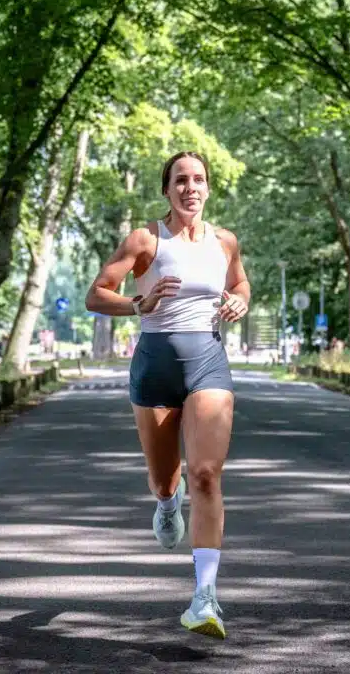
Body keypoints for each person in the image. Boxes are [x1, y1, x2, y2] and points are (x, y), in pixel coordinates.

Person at [85, 150, 250, 639]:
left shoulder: (225, 241)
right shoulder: (146, 239)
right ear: (167, 189)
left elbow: (239, 280)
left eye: (198, 179)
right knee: (166, 481)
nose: (190, 188)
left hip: (208, 362)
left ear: (208, 188)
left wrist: (240, 298)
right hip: (155, 367)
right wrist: (140, 301)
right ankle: (164, 502)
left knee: (205, 474)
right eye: (180, 180)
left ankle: (205, 598)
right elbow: (97, 293)